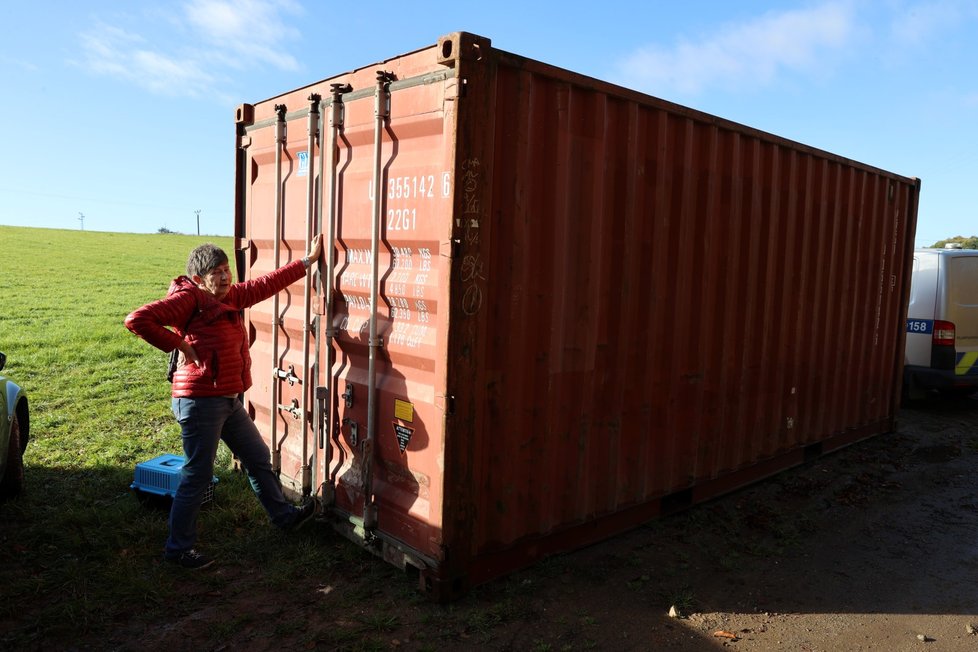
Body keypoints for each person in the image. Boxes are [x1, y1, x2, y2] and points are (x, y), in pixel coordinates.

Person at [125, 235, 323, 569]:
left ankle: (284, 517)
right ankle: (179, 551)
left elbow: (266, 283)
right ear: (200, 278)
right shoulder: (189, 298)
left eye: (226, 269)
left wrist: (307, 262)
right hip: (201, 401)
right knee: (197, 475)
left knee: (258, 458)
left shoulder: (229, 296)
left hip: (227, 399)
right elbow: (137, 319)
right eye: (216, 272)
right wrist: (183, 347)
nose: (225, 276)